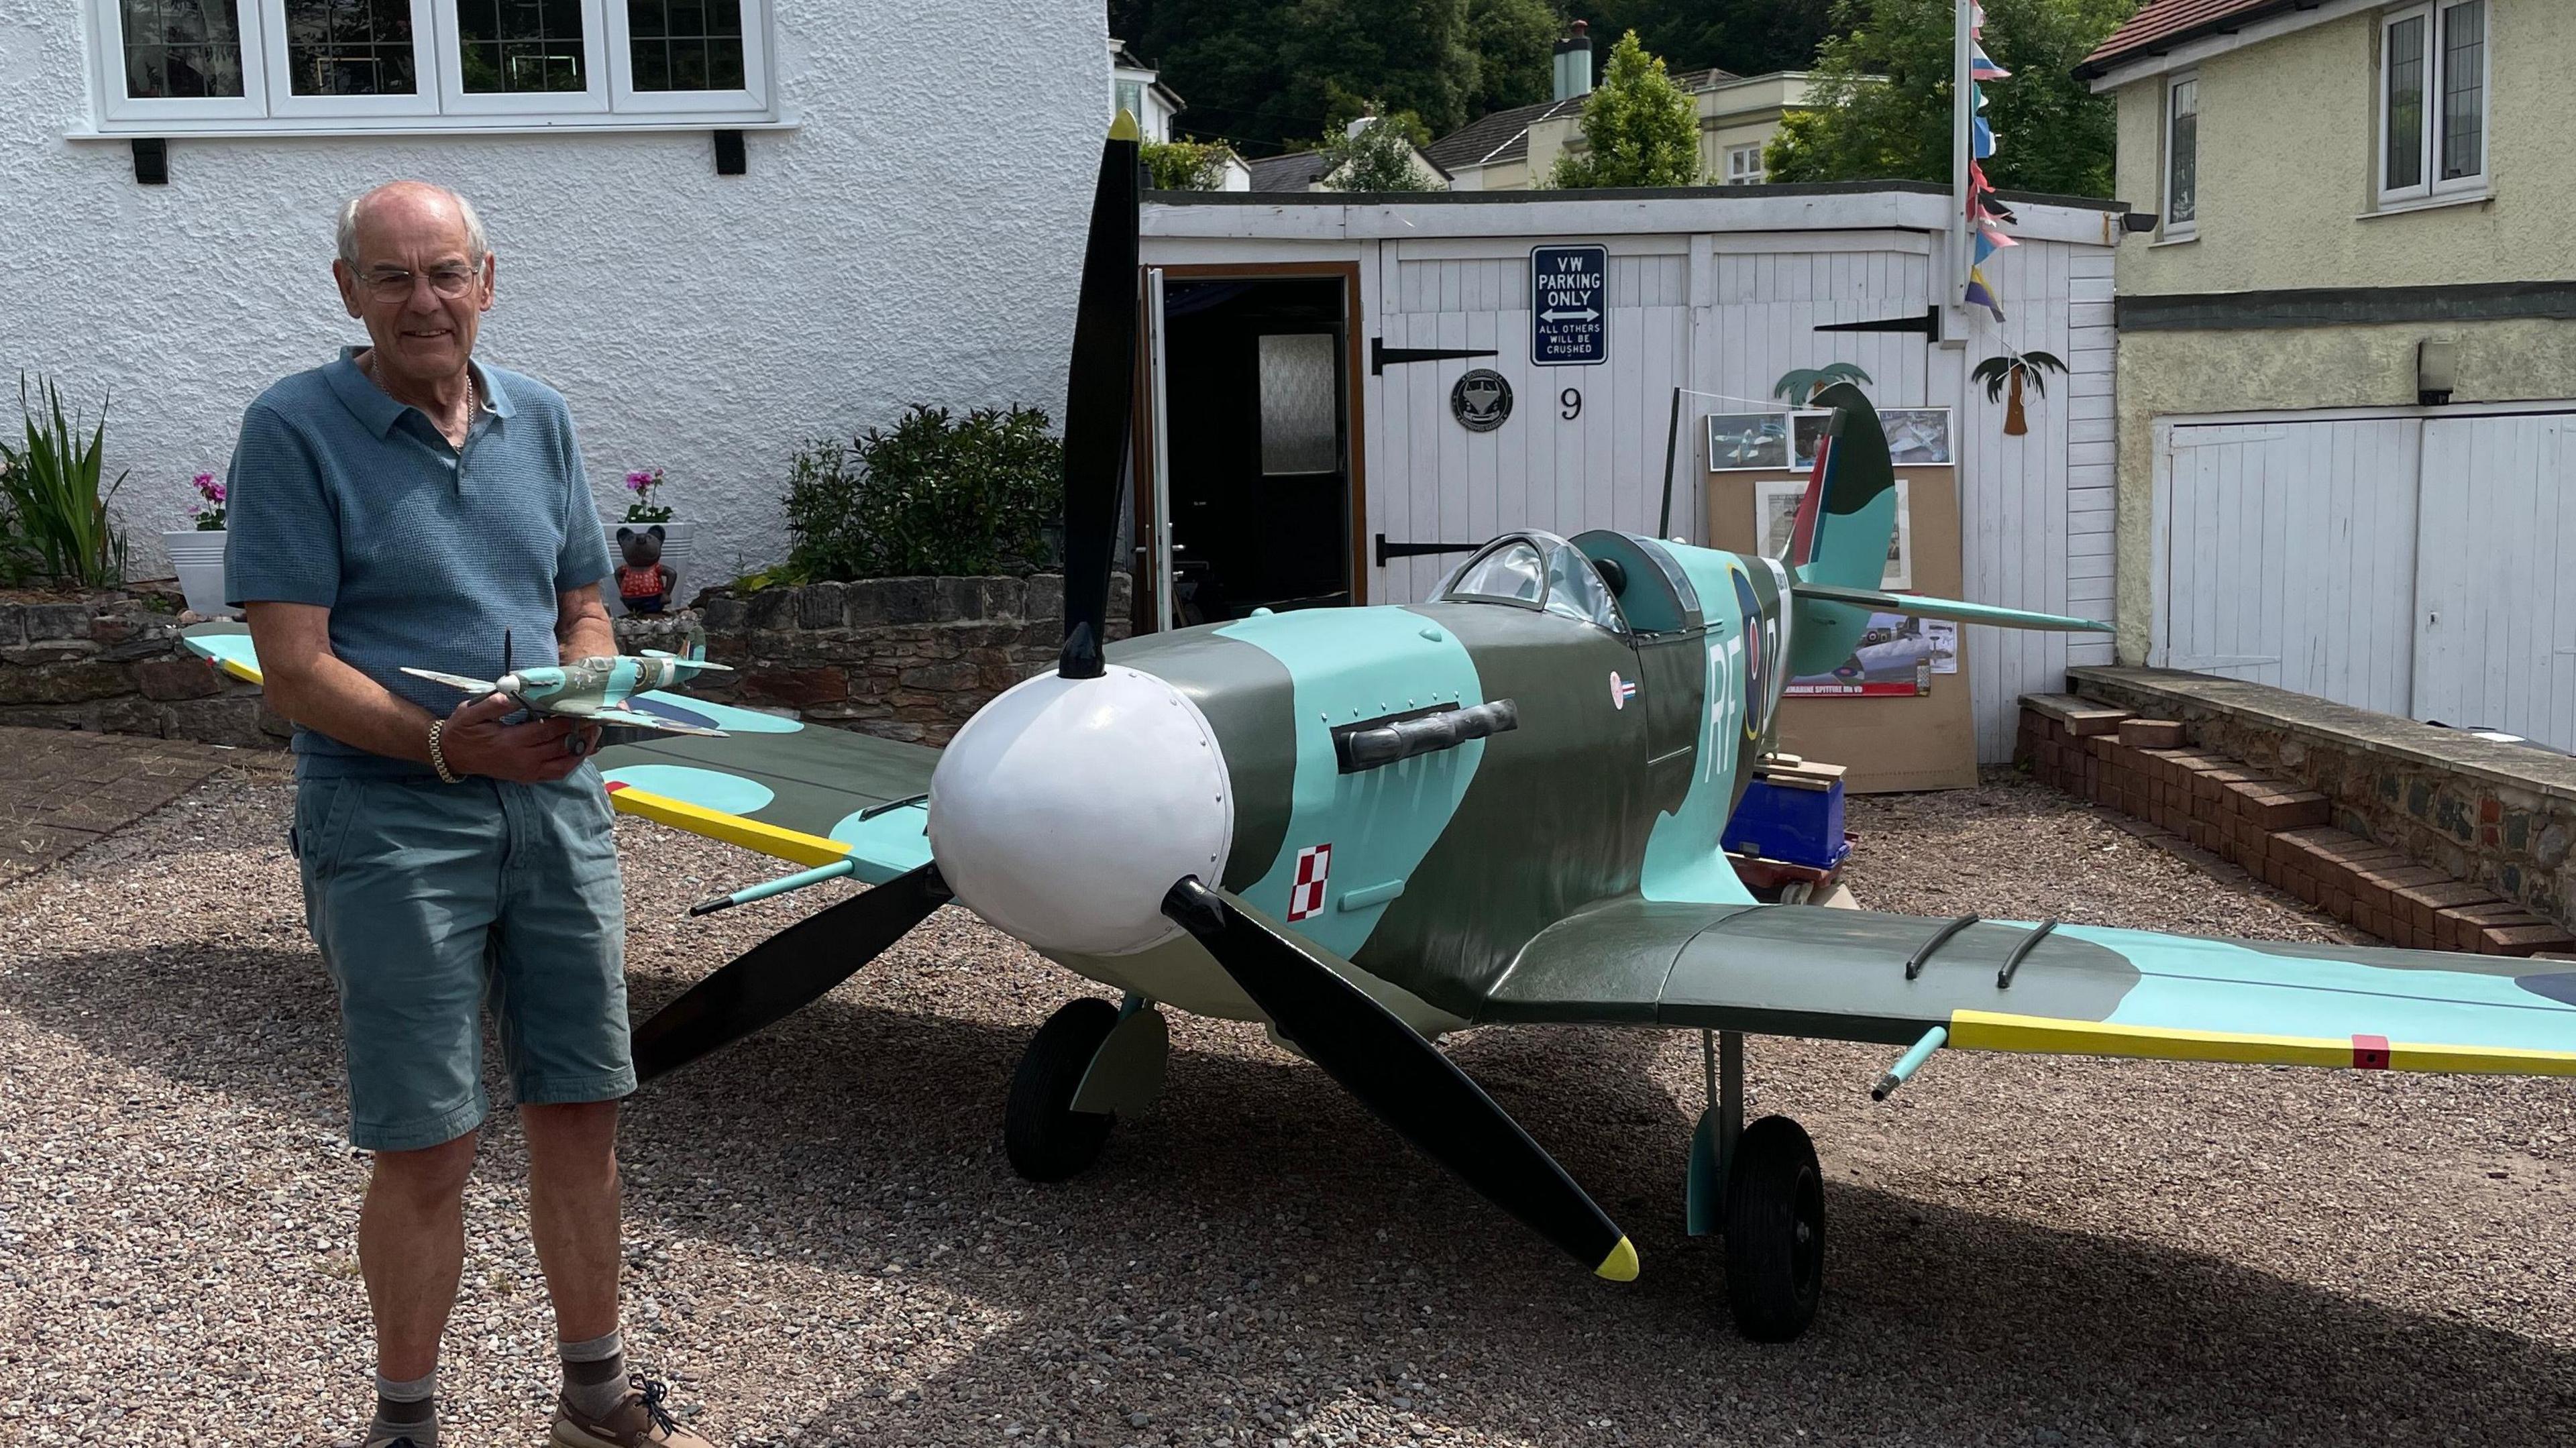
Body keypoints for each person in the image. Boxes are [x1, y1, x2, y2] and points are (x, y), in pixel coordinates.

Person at [225, 180, 718, 1448]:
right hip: (392, 818)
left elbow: (584, 604)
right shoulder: (292, 429)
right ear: (348, 292)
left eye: (445, 273)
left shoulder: (538, 418)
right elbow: (291, 665)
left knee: (580, 1106)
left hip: (553, 803)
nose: (423, 301)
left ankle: (596, 1401)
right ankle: (404, 1427)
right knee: (429, 1140)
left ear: (487, 283)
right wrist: (443, 745)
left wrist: (593, 688)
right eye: (391, 278)